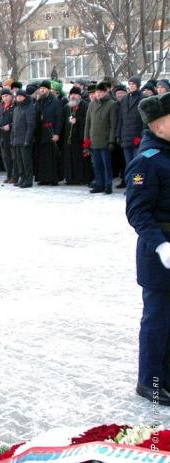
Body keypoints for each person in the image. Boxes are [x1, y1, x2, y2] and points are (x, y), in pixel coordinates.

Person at [125, 92, 170, 406]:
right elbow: (137, 212)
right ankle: (150, 384)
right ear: (158, 126)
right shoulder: (147, 160)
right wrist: (162, 245)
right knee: (157, 320)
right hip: (159, 255)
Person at [85, 81, 118, 194]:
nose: (98, 94)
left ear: (105, 92)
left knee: (106, 165)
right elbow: (88, 124)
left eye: (100, 92)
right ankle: (99, 184)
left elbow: (113, 125)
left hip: (105, 141)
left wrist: (111, 141)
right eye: (96, 92)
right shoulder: (92, 104)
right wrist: (86, 141)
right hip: (94, 140)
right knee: (97, 165)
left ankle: (108, 185)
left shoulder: (112, 104)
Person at [117, 76, 146, 189]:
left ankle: (138, 187)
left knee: (138, 164)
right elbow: (121, 119)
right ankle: (130, 187)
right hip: (126, 137)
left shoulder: (142, 98)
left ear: (138, 85)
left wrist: (141, 135)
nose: (131, 86)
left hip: (137, 137)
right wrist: (118, 134)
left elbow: (145, 120)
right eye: (130, 84)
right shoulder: (125, 99)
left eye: (133, 84)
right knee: (128, 165)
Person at [35, 80, 64, 185]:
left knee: (51, 157)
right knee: (42, 157)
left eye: (44, 88)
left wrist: (57, 133)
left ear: (48, 89)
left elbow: (59, 118)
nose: (41, 90)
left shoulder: (55, 101)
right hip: (41, 133)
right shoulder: (39, 101)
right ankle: (43, 178)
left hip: (51, 132)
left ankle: (53, 178)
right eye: (40, 88)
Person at [62, 87, 93, 185]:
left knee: (80, 159)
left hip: (80, 137)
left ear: (79, 96)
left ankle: (82, 178)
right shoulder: (67, 107)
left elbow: (88, 121)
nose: (73, 96)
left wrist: (77, 120)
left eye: (75, 94)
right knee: (69, 158)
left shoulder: (85, 106)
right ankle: (70, 178)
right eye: (71, 95)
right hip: (69, 137)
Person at [11, 86, 38, 188]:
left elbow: (31, 125)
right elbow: (14, 124)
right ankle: (22, 178)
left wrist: (27, 139)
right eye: (17, 96)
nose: (18, 98)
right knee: (19, 161)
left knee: (26, 161)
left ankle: (28, 179)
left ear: (24, 97)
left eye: (20, 96)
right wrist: (12, 138)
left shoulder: (29, 107)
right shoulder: (16, 108)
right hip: (17, 139)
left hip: (25, 139)